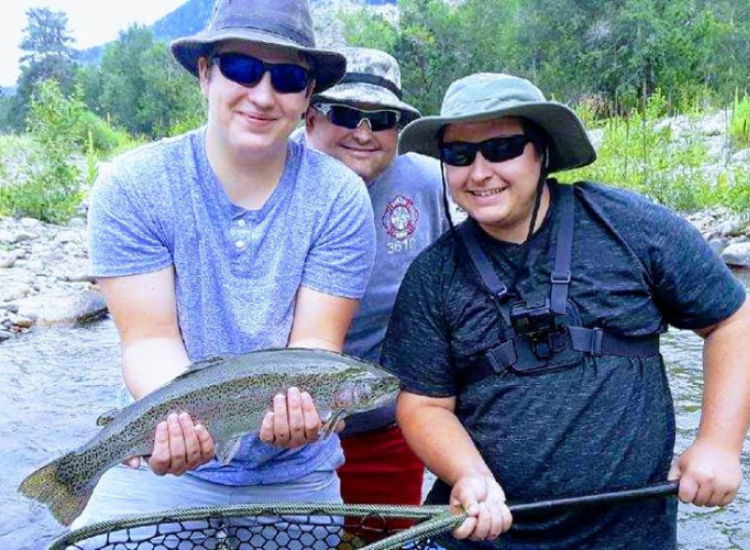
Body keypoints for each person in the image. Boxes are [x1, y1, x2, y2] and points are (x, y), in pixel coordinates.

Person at [381, 72, 750, 548]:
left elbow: (732, 319)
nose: (479, 172)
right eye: (458, 155)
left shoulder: (631, 227)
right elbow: (424, 404)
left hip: (629, 535)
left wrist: (719, 444)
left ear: (542, 152)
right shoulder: (433, 276)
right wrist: (467, 474)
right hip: (487, 536)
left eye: (501, 149)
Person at [76, 0, 376, 528]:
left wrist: (301, 413)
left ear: (307, 95)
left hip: (295, 476)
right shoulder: (132, 185)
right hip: (156, 468)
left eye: (285, 78)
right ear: (205, 73)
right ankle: (77, 477)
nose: (262, 95)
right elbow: (149, 342)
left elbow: (315, 347)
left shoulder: (340, 197)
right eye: (241, 68)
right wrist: (180, 429)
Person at [302, 47, 448, 530]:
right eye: (345, 114)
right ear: (309, 117)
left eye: (382, 119)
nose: (364, 133)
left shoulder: (432, 182)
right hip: (280, 442)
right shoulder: (270, 179)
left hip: (390, 430)